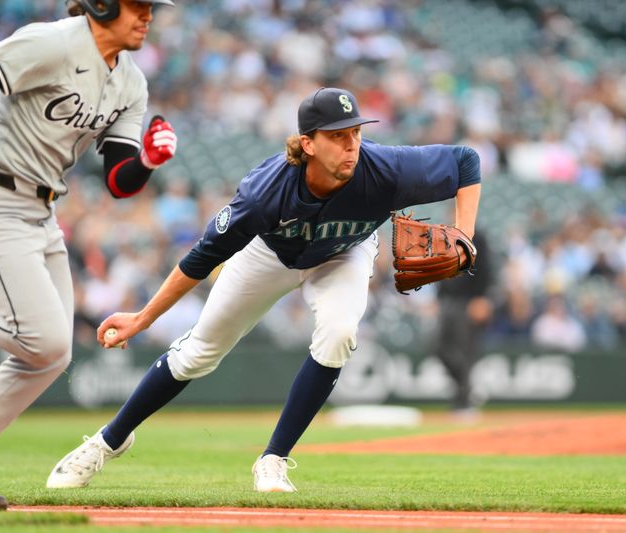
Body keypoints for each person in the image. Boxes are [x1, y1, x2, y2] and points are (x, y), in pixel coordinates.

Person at [46, 87, 482, 493]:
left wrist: (464, 233)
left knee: (340, 332)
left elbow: (465, 162)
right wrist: (142, 319)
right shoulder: (265, 194)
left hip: (344, 253)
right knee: (199, 352)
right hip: (269, 254)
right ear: (308, 143)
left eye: (355, 133)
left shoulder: (384, 168)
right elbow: (200, 259)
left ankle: (274, 458)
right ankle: (108, 441)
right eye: (337, 136)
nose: (351, 145)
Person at [0, 0, 177, 510]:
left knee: (52, 353)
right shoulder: (52, 41)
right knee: (41, 343)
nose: (147, 15)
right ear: (102, 4)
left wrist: (148, 161)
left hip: (42, 212)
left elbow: (117, 179)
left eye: (151, 6)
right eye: (136, 5)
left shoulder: (131, 81)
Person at [435, 228, 492, 420]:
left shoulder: (478, 236)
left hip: (469, 301)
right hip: (448, 301)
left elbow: (486, 268)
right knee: (438, 348)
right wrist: (438, 297)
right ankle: (468, 389)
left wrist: (481, 298)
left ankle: (464, 402)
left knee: (465, 350)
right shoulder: (445, 233)